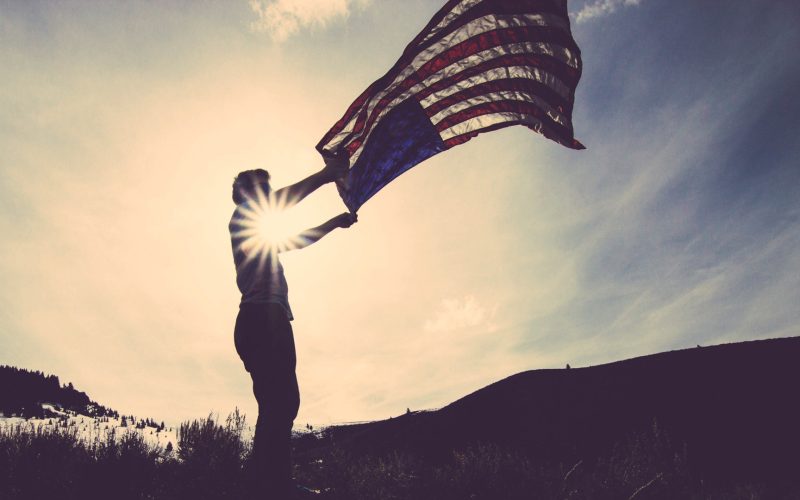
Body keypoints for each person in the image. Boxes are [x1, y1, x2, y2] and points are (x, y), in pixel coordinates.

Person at [229, 155, 356, 498]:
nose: (269, 197)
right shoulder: (242, 218)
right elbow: (282, 202)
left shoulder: (260, 242)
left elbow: (297, 240)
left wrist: (333, 222)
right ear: (247, 194)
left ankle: (266, 483)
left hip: (262, 320)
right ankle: (273, 486)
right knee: (280, 402)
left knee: (278, 403)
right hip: (263, 319)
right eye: (264, 191)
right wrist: (326, 175)